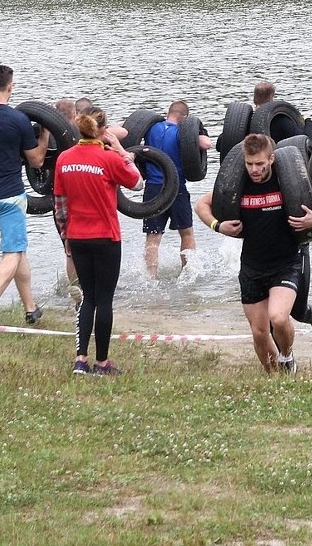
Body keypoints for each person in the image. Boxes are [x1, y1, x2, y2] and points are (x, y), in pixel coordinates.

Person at [195, 134, 312, 373]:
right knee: (259, 332)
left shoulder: (287, 181)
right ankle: (276, 380)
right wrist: (217, 226)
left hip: (286, 262)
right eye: (250, 164)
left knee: (280, 318)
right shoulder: (238, 184)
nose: (254, 170)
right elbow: (201, 205)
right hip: (252, 266)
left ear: (271, 159)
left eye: (260, 164)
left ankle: (287, 356)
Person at [54, 106, 144, 374]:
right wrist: (120, 149)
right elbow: (137, 182)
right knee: (104, 300)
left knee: (87, 299)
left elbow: (60, 205)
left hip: (77, 237)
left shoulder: (64, 159)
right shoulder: (109, 159)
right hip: (105, 236)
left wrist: (65, 238)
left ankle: (80, 360)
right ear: (103, 131)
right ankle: (102, 363)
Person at [0, 65, 49, 326]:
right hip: (11, 197)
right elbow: (37, 161)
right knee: (13, 251)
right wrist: (46, 133)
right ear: (10, 87)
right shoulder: (17, 119)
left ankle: (31, 308)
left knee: (19, 250)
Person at [142, 100, 211, 277]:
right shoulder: (183, 132)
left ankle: (151, 276)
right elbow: (206, 144)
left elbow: (129, 130)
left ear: (168, 113)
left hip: (152, 187)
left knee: (153, 234)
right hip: (176, 188)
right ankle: (188, 272)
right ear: (185, 119)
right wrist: (199, 131)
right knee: (186, 231)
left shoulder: (151, 128)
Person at [53, 99, 83, 307]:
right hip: (82, 196)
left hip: (59, 199)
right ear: (74, 113)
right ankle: (90, 287)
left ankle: (75, 290)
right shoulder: (81, 131)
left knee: (69, 248)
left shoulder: (50, 136)